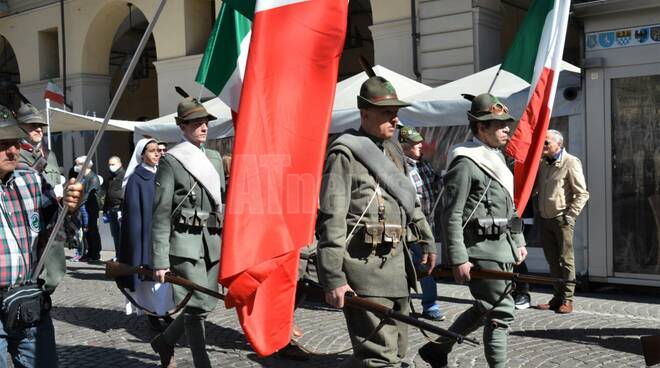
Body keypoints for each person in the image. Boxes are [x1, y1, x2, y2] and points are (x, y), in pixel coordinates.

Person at [316, 76, 436, 367]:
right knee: (379, 358)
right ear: (365, 113)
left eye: (395, 113)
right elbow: (331, 218)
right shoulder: (345, 153)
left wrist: (427, 239)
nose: (395, 120)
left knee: (396, 351)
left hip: (398, 270)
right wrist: (333, 277)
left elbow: (409, 201)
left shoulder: (394, 151)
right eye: (386, 113)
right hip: (364, 269)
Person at [418, 93, 527, 368]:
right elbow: (451, 214)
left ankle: (438, 349)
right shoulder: (465, 162)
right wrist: (458, 258)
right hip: (480, 249)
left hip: (503, 249)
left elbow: (510, 208)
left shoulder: (497, 159)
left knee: (485, 307)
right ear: (481, 127)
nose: (506, 129)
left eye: (506, 124)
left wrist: (519, 239)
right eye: (498, 124)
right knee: (501, 312)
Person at [0, 105, 83, 368]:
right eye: (3, 144)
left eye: (14, 142)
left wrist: (70, 207)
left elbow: (57, 227)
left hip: (27, 300)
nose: (12, 151)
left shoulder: (31, 180)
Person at [150, 97, 225, 368]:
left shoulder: (215, 158)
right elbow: (160, 212)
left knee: (204, 303)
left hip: (212, 242)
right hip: (185, 243)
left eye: (205, 122)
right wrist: (159, 259)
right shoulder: (171, 161)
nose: (203, 127)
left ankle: (164, 341)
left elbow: (222, 201)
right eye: (195, 123)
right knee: (196, 307)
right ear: (182, 127)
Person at [117, 139, 174, 331]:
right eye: (152, 151)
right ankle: (152, 314)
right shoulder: (136, 179)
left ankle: (164, 311)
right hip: (145, 236)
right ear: (142, 155)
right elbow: (133, 216)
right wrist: (139, 245)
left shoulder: (162, 173)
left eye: (158, 150)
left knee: (164, 280)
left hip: (162, 234)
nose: (157, 154)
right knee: (149, 282)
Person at [535, 129, 589, 314]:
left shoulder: (571, 162)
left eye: (546, 142)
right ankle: (557, 297)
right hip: (545, 218)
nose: (543, 145)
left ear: (559, 144)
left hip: (561, 219)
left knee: (566, 260)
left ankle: (568, 298)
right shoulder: (542, 163)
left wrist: (570, 215)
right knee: (552, 260)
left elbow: (582, 193)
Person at [398, 125, 445, 321]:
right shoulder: (399, 167)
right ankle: (400, 305)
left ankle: (430, 305)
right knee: (402, 267)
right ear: (403, 146)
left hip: (427, 226)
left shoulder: (424, 164)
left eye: (419, 142)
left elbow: (436, 185)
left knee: (426, 266)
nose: (419, 145)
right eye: (414, 143)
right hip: (406, 228)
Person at [16, 103, 63, 194]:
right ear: (20, 127)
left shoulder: (49, 154)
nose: (39, 129)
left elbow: (57, 184)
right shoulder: (13, 154)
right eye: (33, 125)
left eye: (40, 125)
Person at [73, 156, 102, 262]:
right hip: (83, 208)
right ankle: (89, 252)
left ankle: (95, 253)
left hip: (90, 209)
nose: (76, 167)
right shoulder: (82, 177)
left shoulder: (93, 177)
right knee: (86, 232)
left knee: (92, 230)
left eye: (78, 164)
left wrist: (78, 202)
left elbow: (89, 194)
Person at [102, 156, 125, 261]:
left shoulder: (124, 175)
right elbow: (108, 194)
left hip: (120, 208)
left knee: (121, 234)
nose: (111, 167)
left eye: (113, 164)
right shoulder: (110, 177)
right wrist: (105, 208)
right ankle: (118, 255)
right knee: (115, 234)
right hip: (111, 209)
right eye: (109, 164)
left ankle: (123, 256)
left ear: (119, 164)